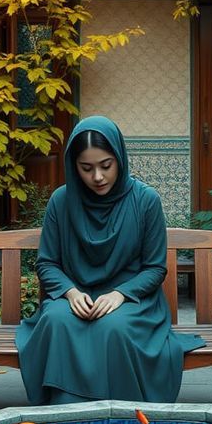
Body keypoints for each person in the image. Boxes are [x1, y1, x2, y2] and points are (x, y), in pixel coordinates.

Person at [16, 114, 200, 404]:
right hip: (75, 296)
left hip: (133, 302)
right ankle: (64, 415)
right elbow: (47, 263)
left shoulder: (145, 200)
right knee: (55, 320)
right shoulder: (61, 201)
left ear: (120, 159)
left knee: (113, 327)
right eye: (86, 168)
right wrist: (71, 292)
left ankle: (124, 416)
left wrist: (120, 294)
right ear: (73, 167)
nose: (98, 177)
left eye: (106, 166)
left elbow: (154, 268)